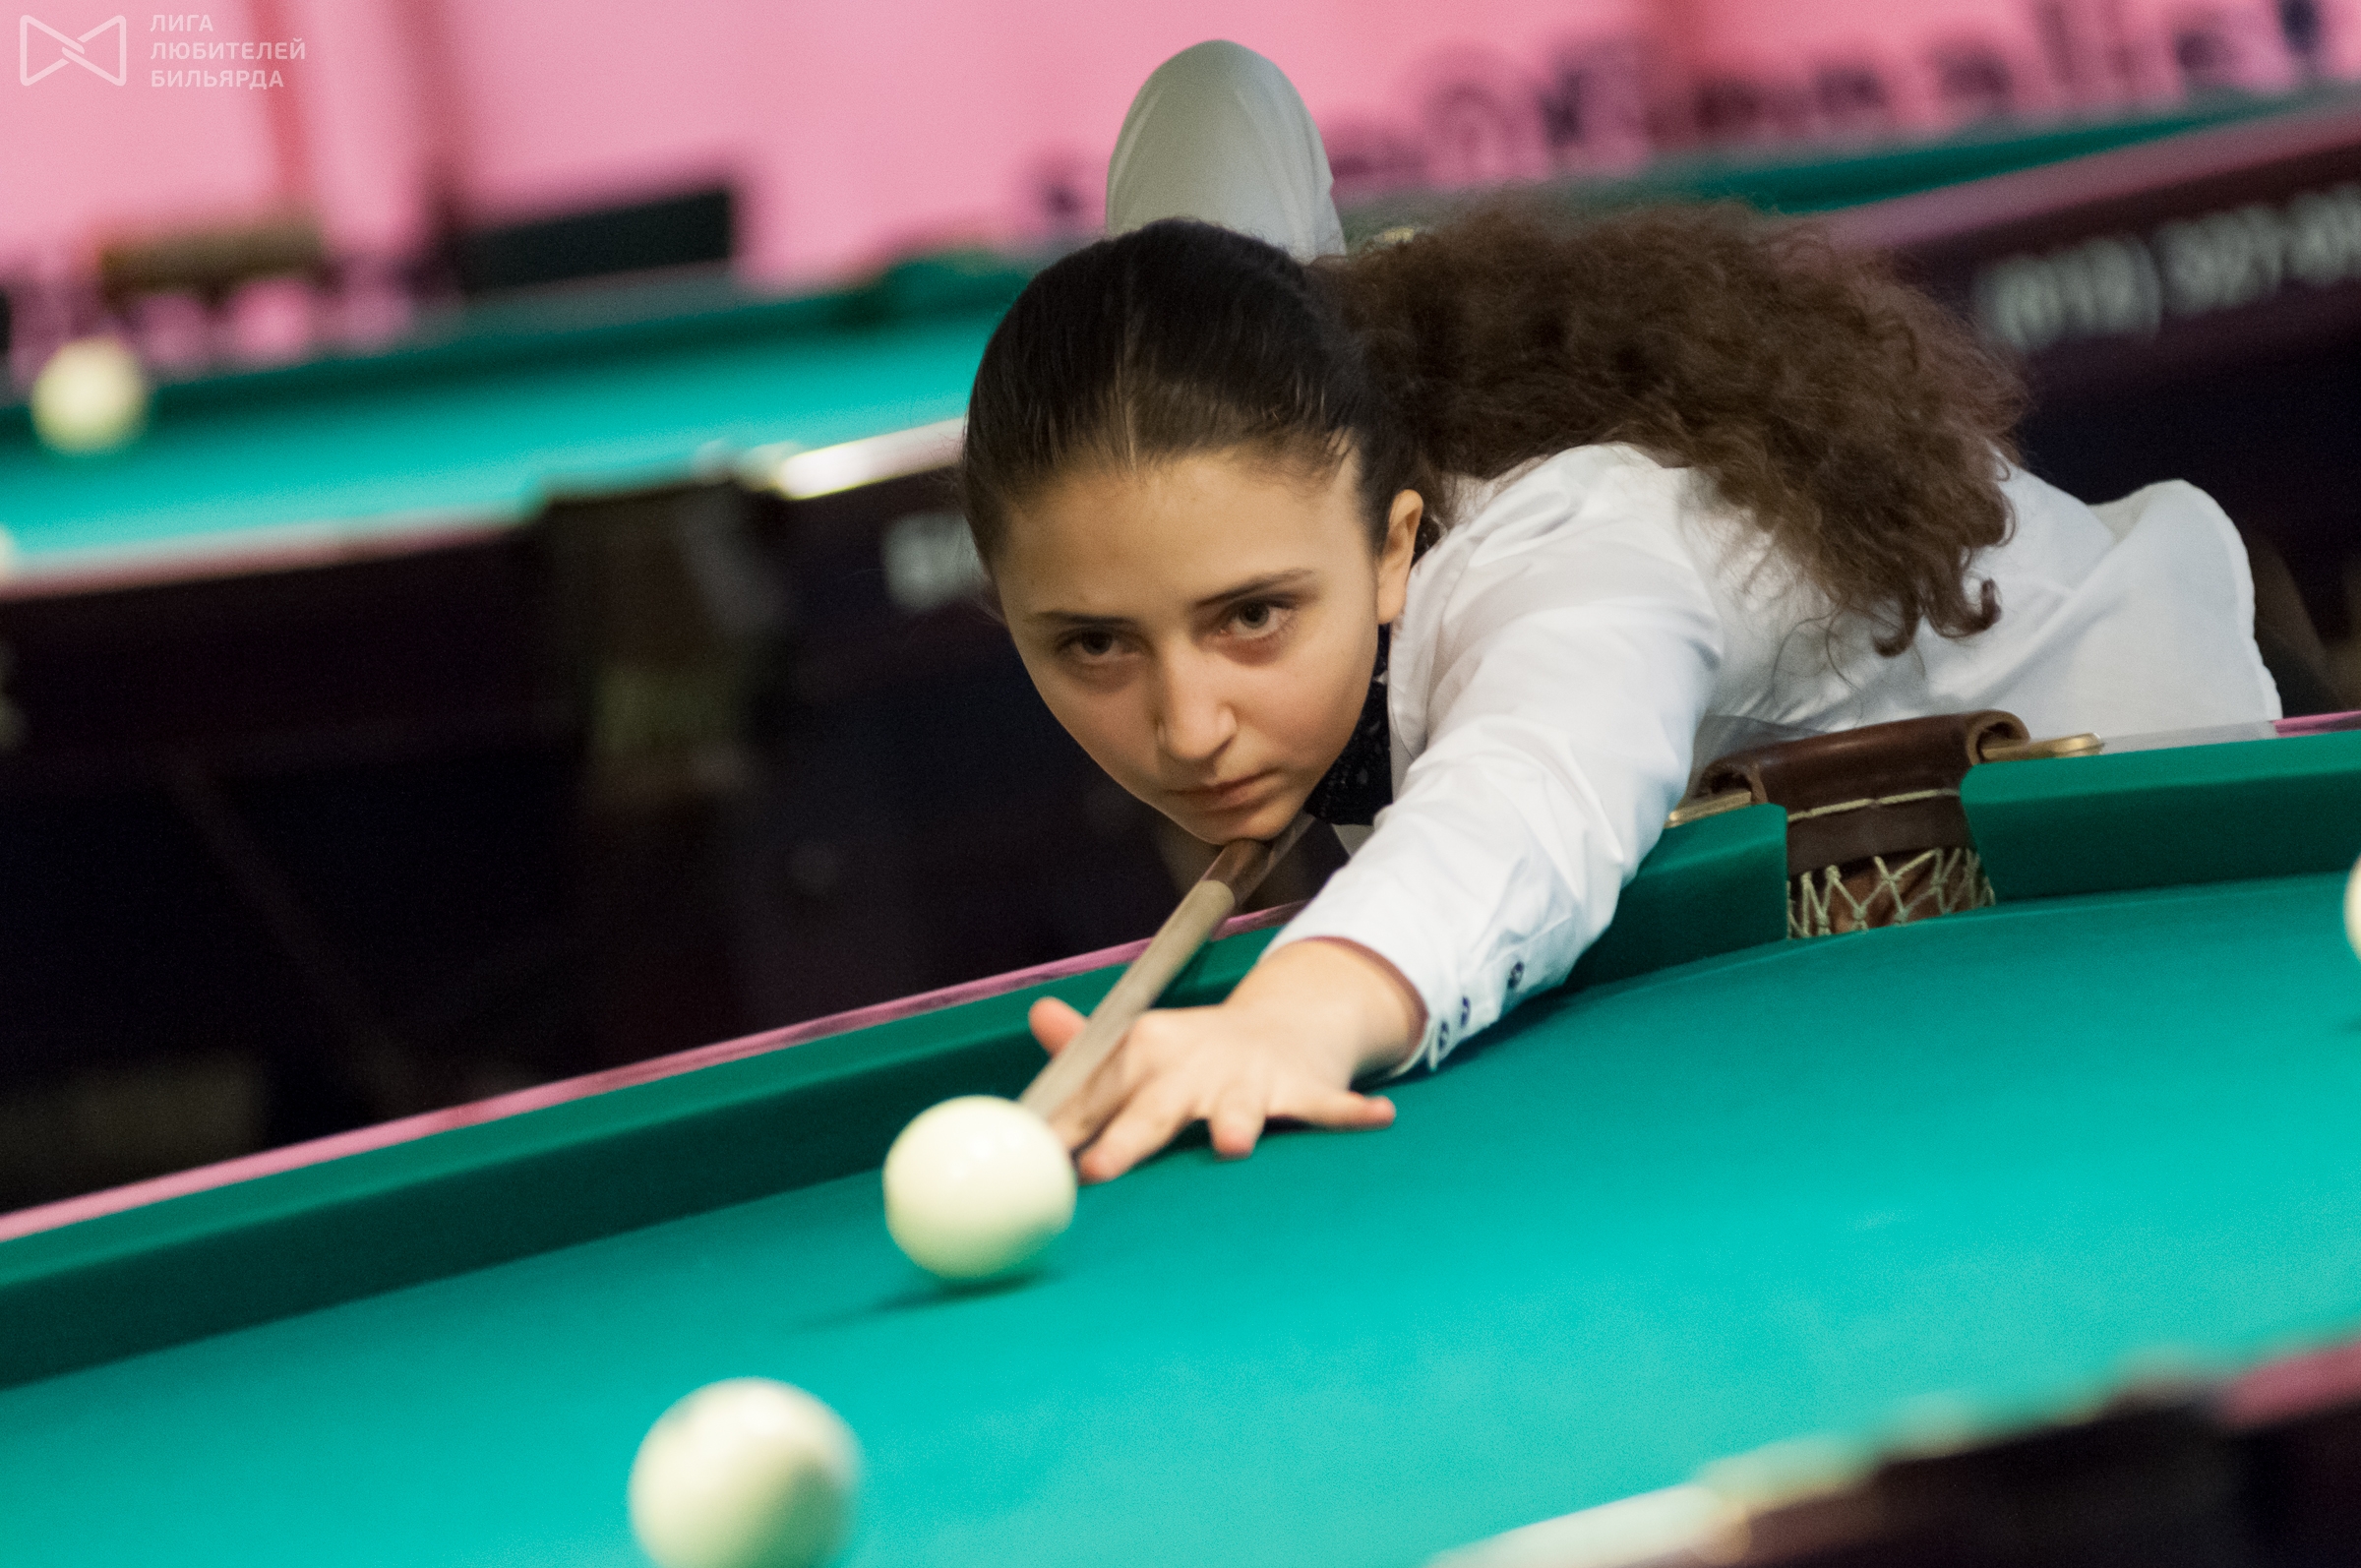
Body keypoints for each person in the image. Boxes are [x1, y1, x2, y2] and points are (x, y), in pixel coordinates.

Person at [961, 41, 2280, 1182]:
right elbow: (1220, 94)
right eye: (1094, 643)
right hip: (1821, 930)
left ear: (1391, 545)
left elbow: (1528, 794)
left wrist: (1296, 1011)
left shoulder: (1572, 555)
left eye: (1252, 616)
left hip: (2141, 841)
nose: (1188, 726)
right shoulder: (1231, 372)